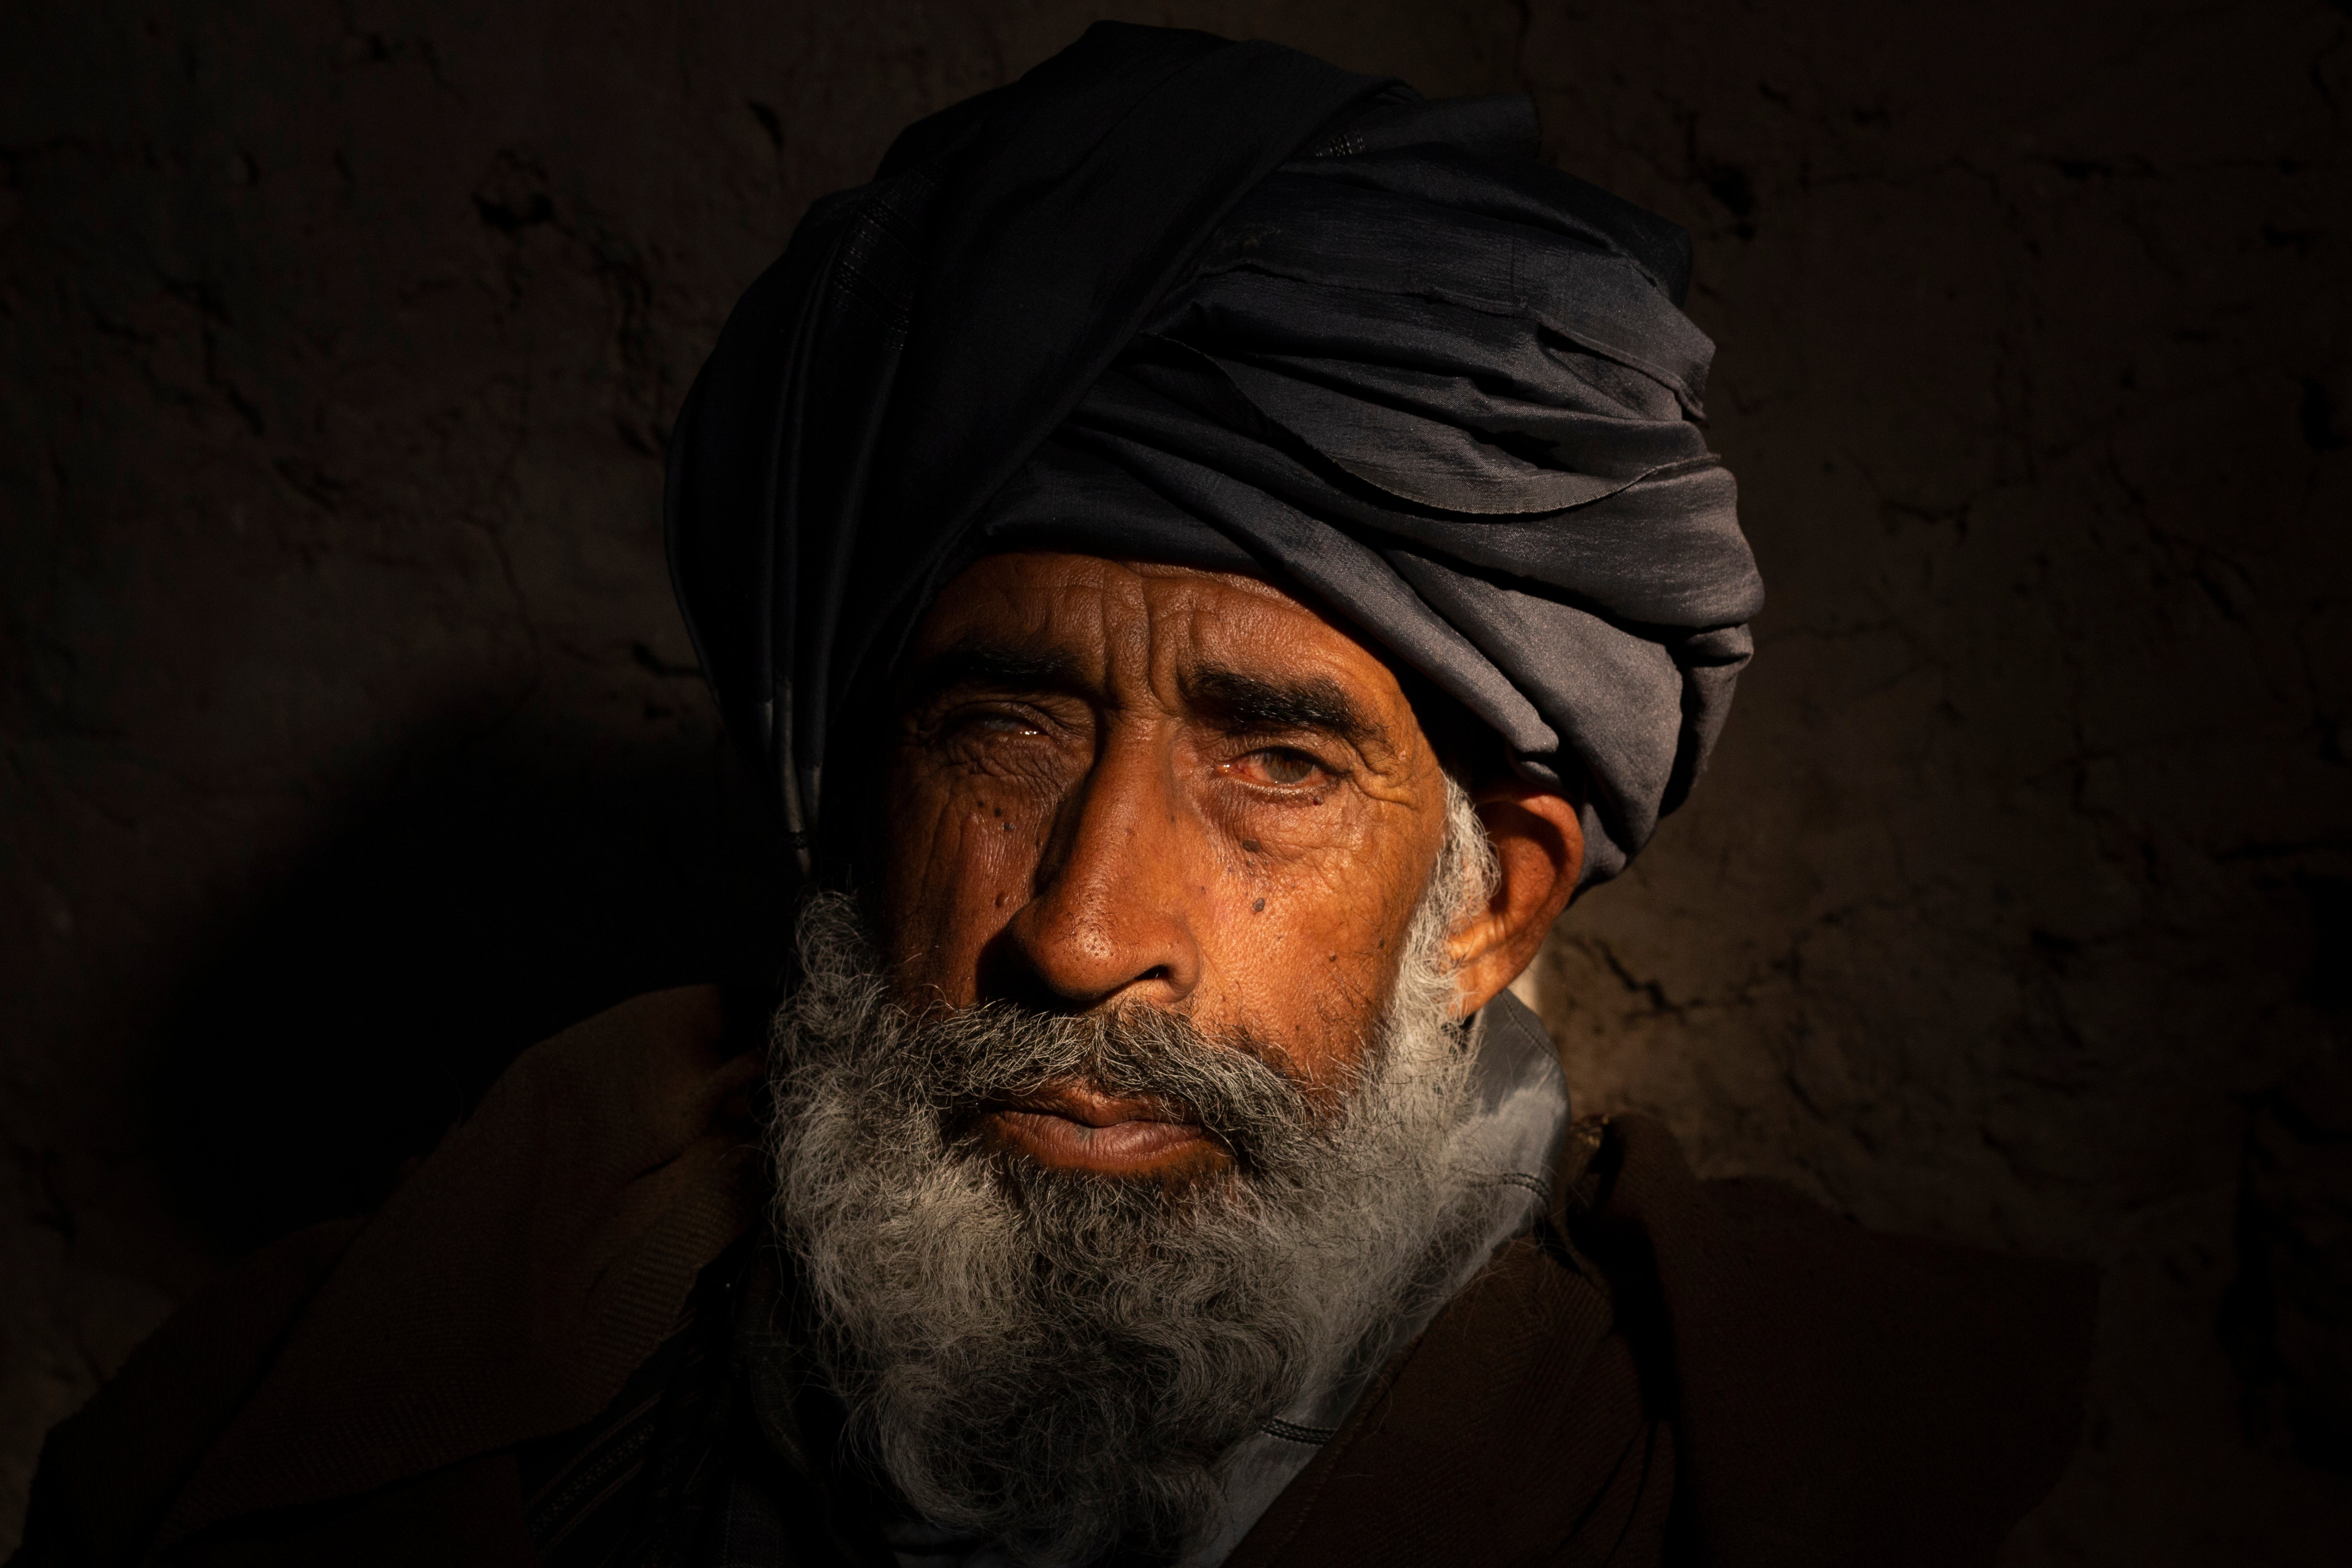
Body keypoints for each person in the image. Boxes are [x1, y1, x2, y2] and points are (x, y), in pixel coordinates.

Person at [13, 24, 2095, 1568]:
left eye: (1275, 763)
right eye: (1001, 732)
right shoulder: (419, 1388)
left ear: (1493, 907)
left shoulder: (1755, 1483)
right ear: (860, 793)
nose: (1087, 929)